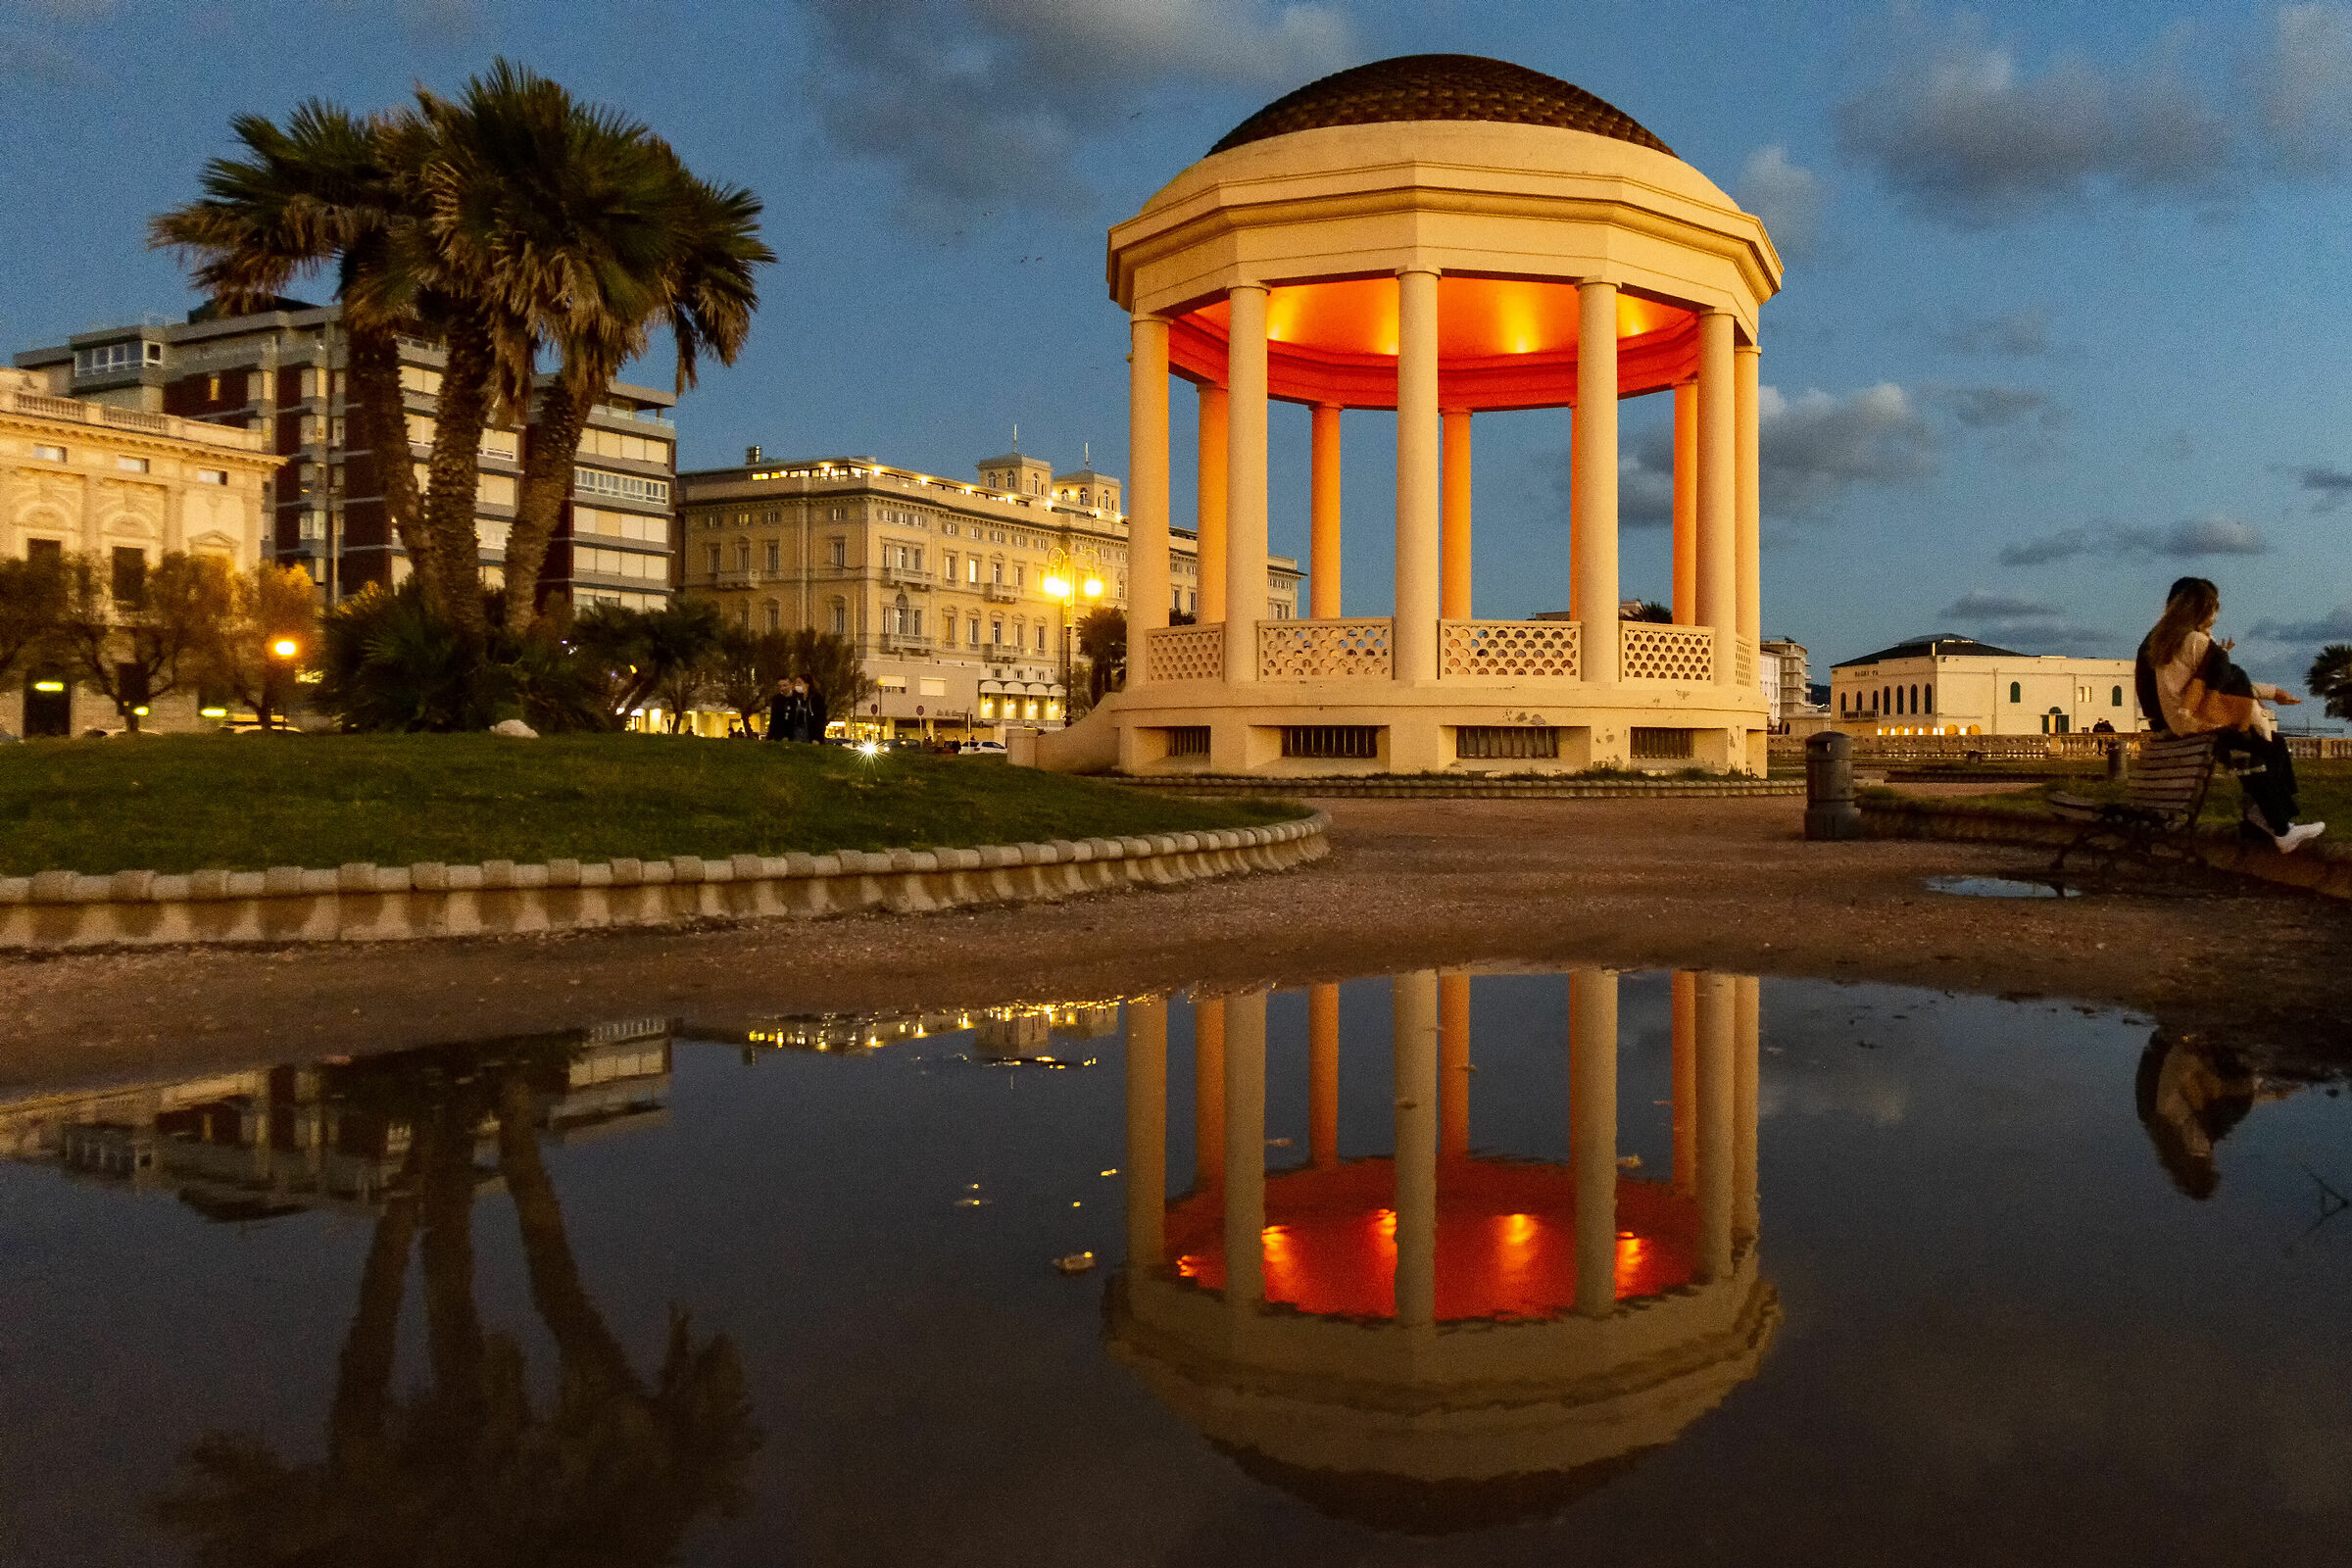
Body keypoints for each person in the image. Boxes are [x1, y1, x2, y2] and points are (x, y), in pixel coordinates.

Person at [2133, 576, 2325, 853]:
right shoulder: (2194, 642)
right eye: (2214, 606)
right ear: (2200, 608)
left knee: (2266, 745)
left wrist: (2270, 692)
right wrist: (2266, 692)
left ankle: (2265, 822)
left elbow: (2210, 683)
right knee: (2260, 746)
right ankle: (2280, 826)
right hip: (2193, 721)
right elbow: (2227, 684)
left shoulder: (2165, 640)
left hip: (2178, 722)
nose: (2217, 613)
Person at [765, 678, 800, 743]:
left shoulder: (798, 697)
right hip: (780, 734)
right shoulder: (776, 699)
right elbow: (774, 718)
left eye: (785, 685)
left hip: (796, 734)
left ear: (791, 685)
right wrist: (770, 736)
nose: (782, 688)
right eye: (780, 686)